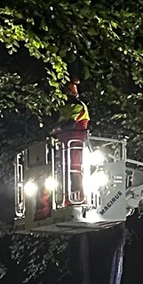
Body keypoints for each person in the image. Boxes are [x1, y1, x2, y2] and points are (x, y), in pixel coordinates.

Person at [52, 78, 90, 206]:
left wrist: (55, 130)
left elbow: (70, 124)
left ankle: (79, 198)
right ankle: (67, 198)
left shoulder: (79, 106)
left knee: (75, 170)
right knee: (64, 172)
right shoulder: (64, 108)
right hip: (65, 145)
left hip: (75, 144)